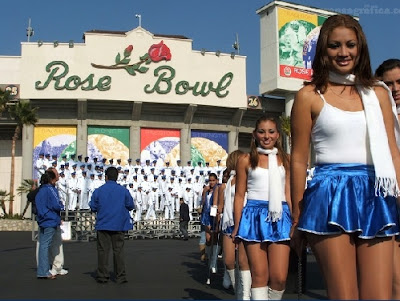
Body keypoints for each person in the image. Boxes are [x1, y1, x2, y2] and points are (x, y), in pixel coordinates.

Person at [290, 15, 400, 300]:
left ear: (360, 47)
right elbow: (299, 159)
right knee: (344, 295)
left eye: (350, 45)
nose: (343, 53)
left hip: (377, 193)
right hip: (329, 194)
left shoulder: (378, 93)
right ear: (323, 50)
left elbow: (392, 152)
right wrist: (296, 213)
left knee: (380, 295)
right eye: (334, 45)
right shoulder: (308, 95)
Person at [232, 116, 291, 300]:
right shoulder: (245, 160)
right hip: (253, 216)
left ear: (278, 135)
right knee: (259, 276)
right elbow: (240, 195)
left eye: (271, 131)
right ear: (255, 135)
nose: (267, 136)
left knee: (279, 278)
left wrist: (297, 219)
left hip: (281, 216)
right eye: (262, 132)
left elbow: (289, 192)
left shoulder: (286, 160)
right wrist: (236, 225)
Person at [375, 58, 400, 299]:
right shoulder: (376, 120)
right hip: (390, 202)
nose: (395, 88)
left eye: (399, 82)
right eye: (389, 83)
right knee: (395, 282)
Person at [89, 166, 134, 284]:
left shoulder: (98, 190)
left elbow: (93, 206)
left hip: (103, 224)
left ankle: (102, 275)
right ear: (117, 177)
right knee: (118, 251)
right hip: (119, 224)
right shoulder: (124, 191)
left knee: (103, 251)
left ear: (106, 177)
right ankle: (120, 276)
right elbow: (130, 205)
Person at [218, 150, 251, 299]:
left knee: (244, 261)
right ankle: (237, 287)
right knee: (229, 260)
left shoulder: (249, 178)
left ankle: (245, 293)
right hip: (229, 222)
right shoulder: (229, 180)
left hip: (244, 221)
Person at [35, 170, 63, 279]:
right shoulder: (50, 189)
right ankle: (44, 272)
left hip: (42, 219)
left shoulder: (40, 190)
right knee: (46, 246)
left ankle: (42, 270)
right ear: (51, 179)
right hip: (50, 220)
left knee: (43, 246)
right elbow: (56, 204)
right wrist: (61, 206)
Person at [200, 172, 220, 273]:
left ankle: (214, 262)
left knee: (214, 238)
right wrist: (204, 193)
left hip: (214, 215)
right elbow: (203, 202)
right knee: (208, 239)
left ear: (216, 180)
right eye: (210, 181)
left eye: (213, 180)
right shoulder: (207, 190)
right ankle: (209, 259)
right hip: (207, 215)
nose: (211, 182)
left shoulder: (218, 189)